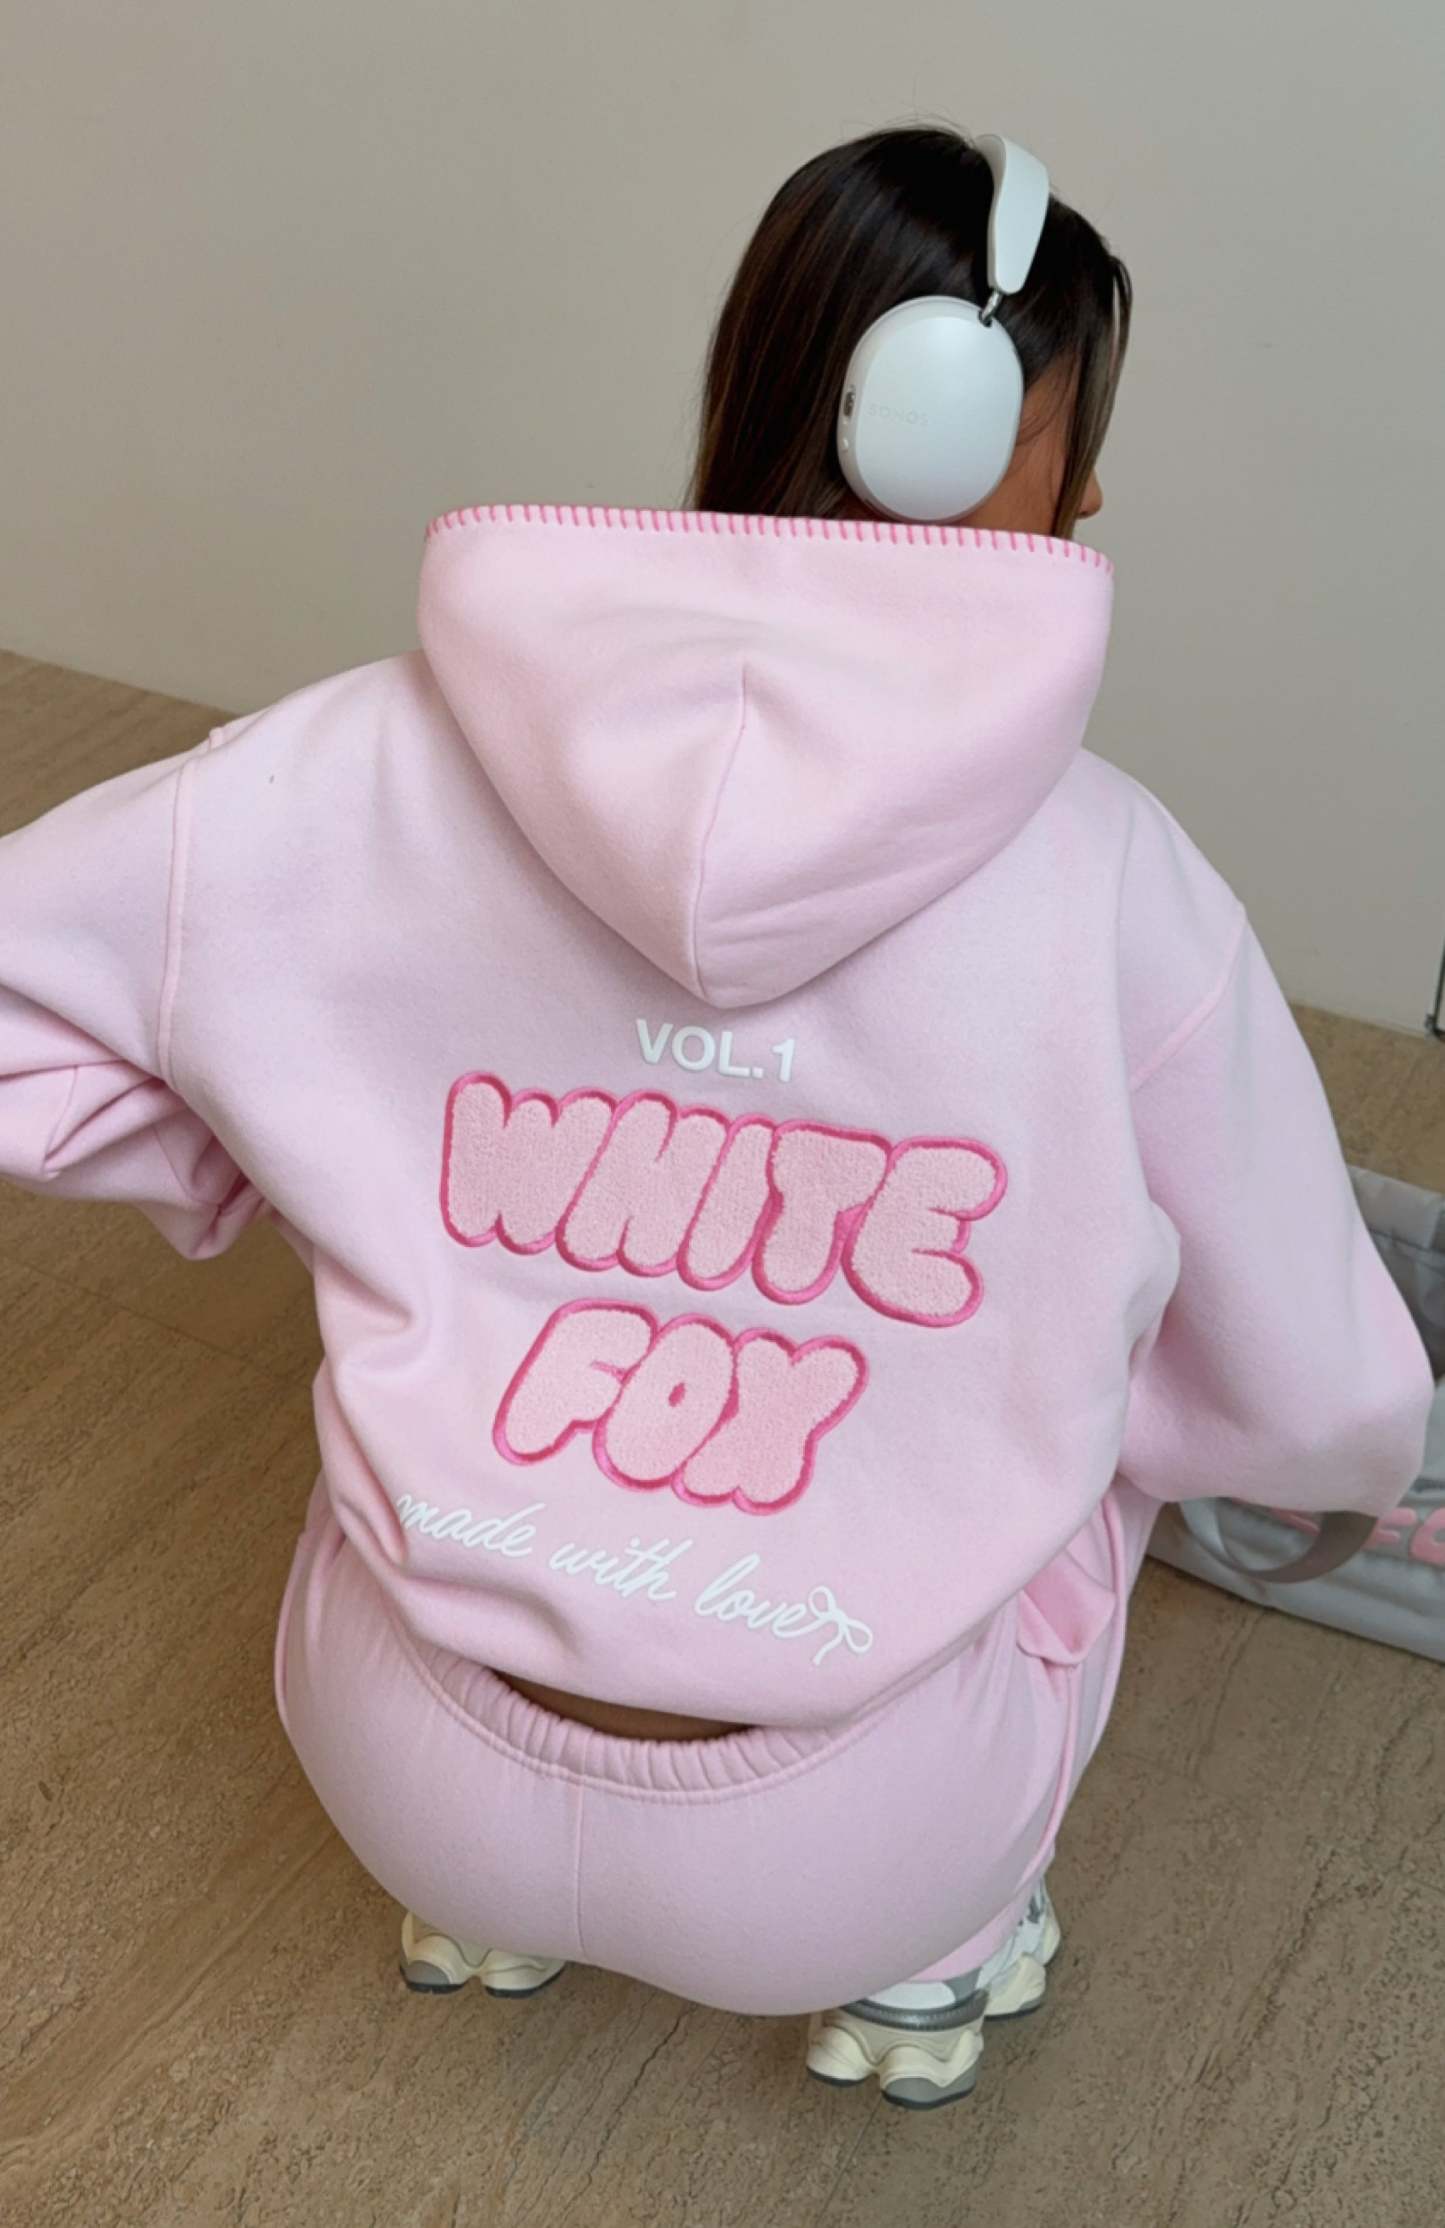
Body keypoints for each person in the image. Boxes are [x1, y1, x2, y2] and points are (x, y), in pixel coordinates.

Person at [0, 125, 1430, 2112]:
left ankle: (487, 1910)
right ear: (949, 436)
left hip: (396, 1759)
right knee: (1102, 1421)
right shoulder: (1122, 888)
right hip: (854, 1844)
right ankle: (931, 1965)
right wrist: (1208, 1437)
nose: (1095, 488)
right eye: (1073, 434)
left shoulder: (346, 763)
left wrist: (271, 1137)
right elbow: (1308, 1390)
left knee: (409, 1406)